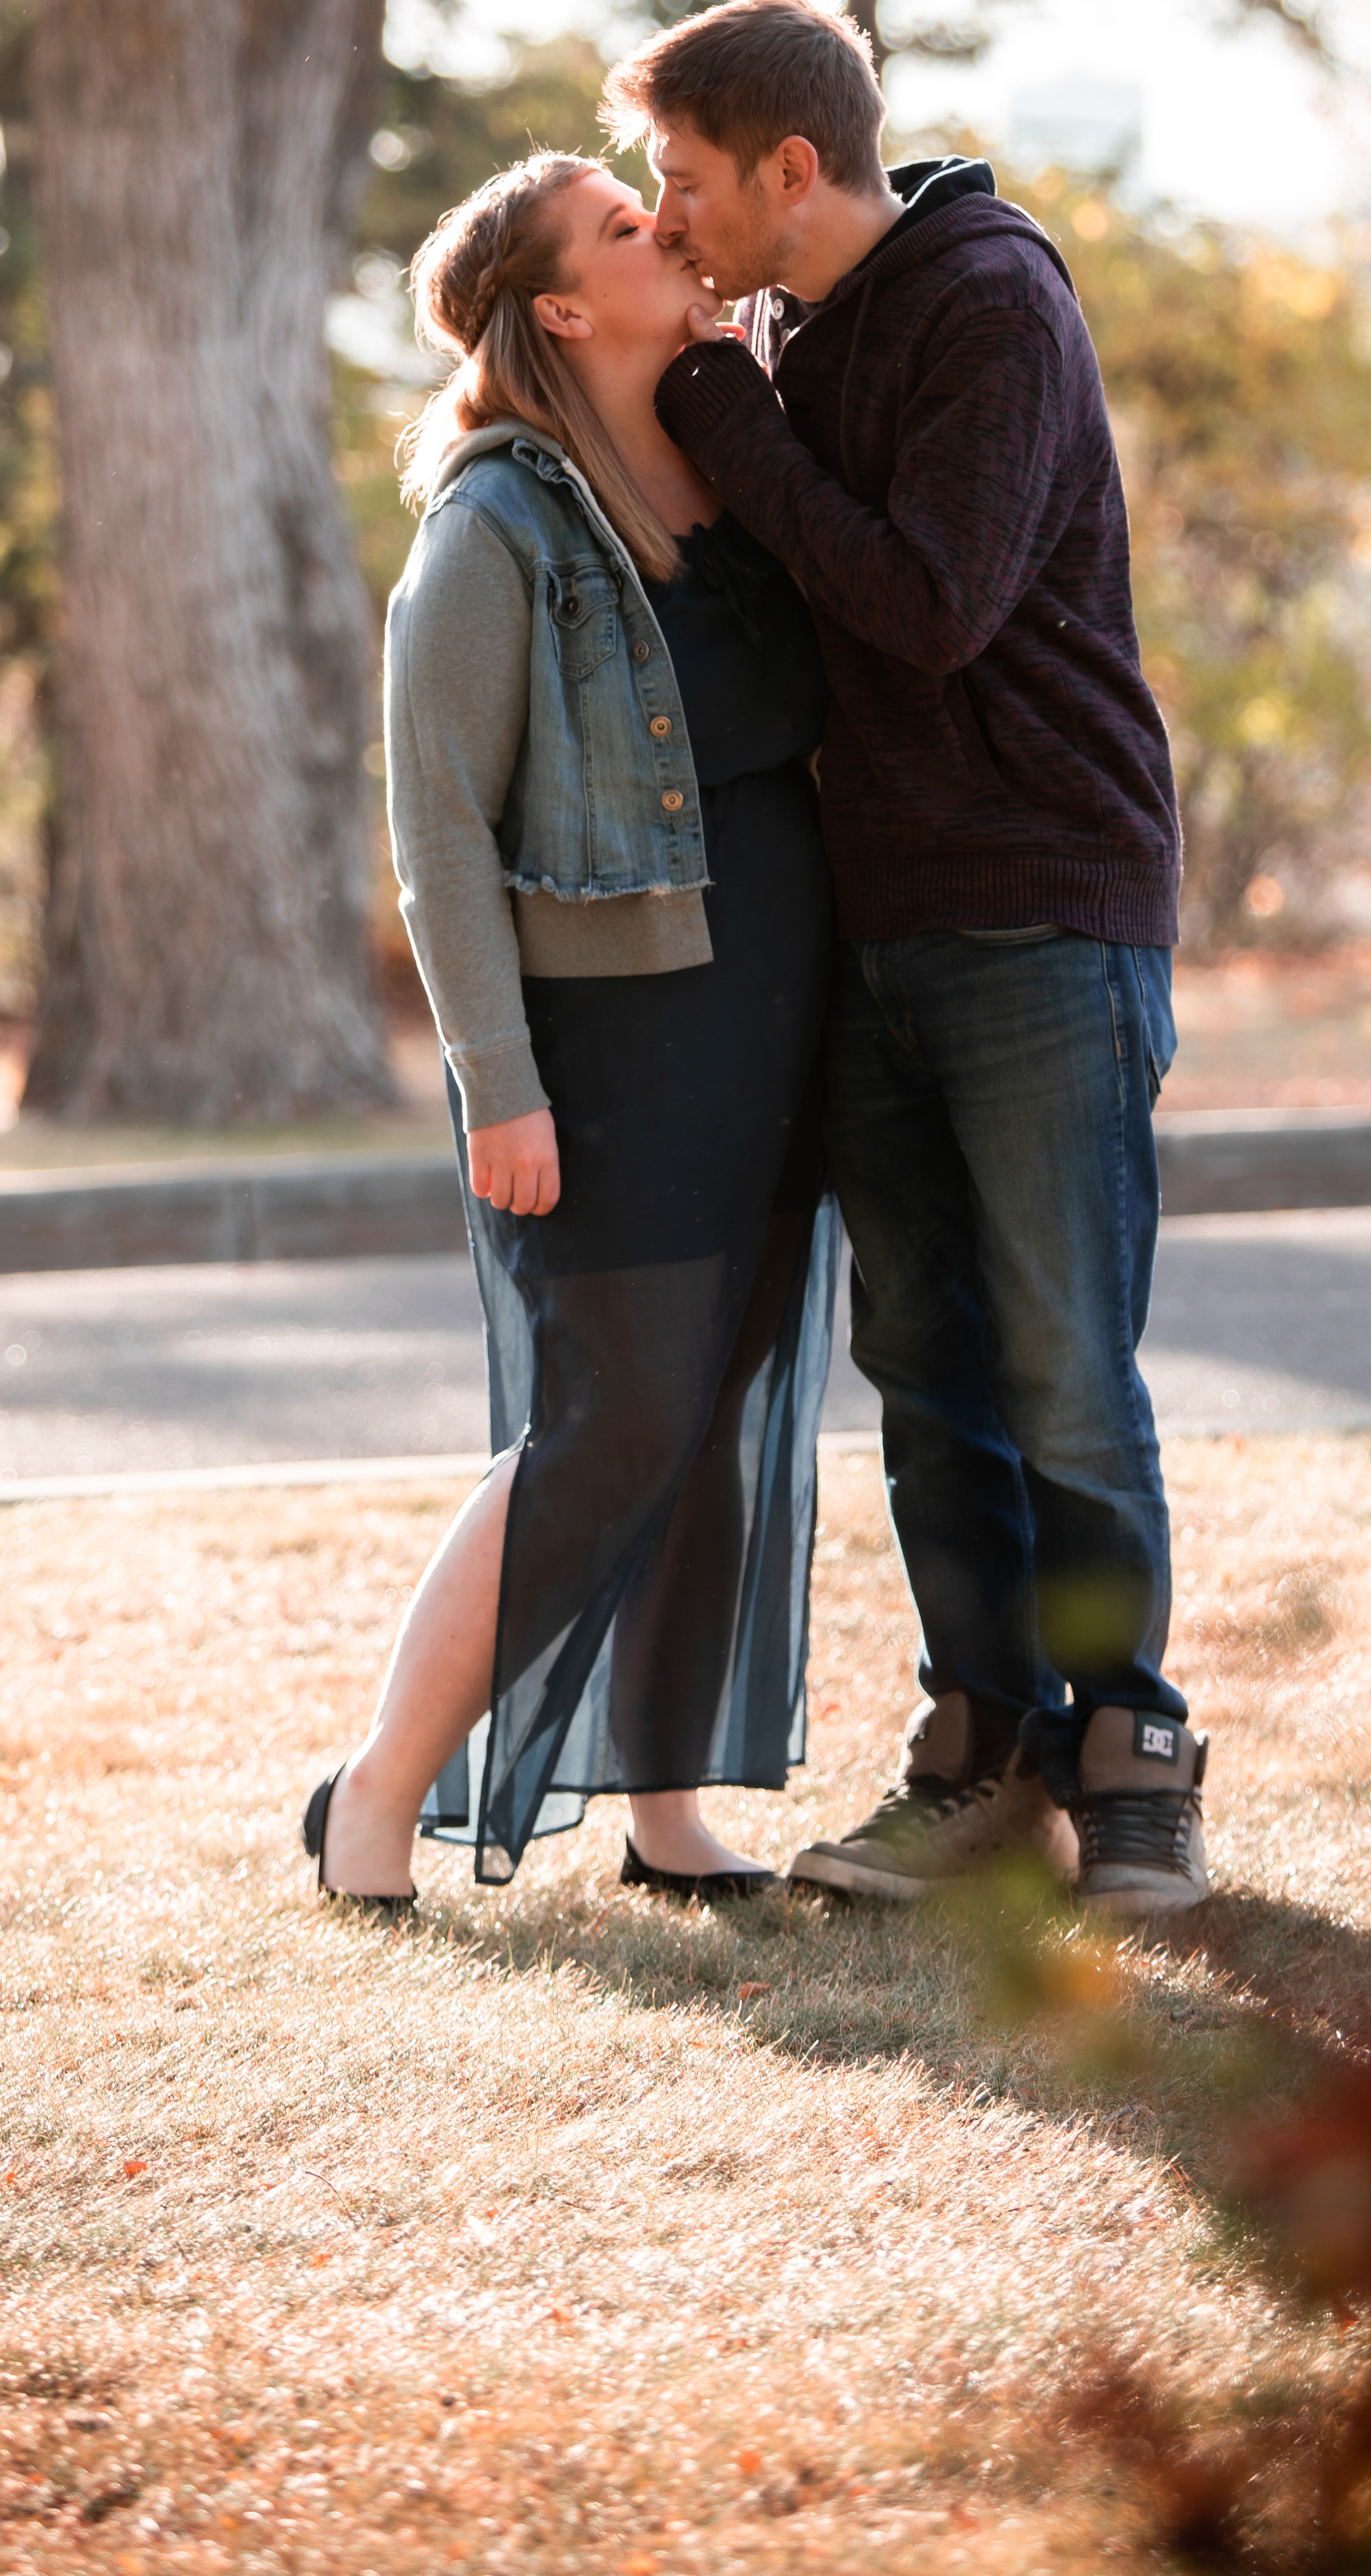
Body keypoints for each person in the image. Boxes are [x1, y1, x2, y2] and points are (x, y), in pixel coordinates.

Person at [595, 0, 1209, 1918]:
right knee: (927, 1363)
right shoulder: (777, 327)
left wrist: (721, 415)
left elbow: (933, 606)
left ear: (793, 169)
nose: (661, 216)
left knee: (1064, 1364)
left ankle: (1133, 1751)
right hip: (873, 922)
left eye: (682, 182)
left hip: (1039, 896)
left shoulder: (985, 303)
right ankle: (979, 1744)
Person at [306, 149, 837, 1909]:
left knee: (719, 1415)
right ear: (557, 305)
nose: (666, 234)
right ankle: (379, 1793)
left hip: (773, 1021)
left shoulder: (732, 479)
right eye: (627, 228)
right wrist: (497, 1089)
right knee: (611, 1424)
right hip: (612, 1055)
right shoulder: (495, 530)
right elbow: (438, 830)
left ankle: (669, 1809)